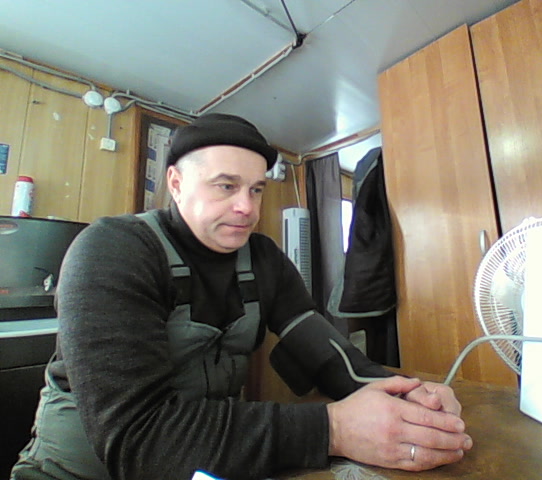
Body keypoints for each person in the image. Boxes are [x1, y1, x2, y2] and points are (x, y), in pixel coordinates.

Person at [10, 113, 472, 480]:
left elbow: (330, 359)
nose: (247, 208)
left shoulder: (264, 260)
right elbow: (140, 438)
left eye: (256, 189)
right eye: (226, 186)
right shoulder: (113, 250)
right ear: (175, 183)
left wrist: (408, 393)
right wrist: (334, 429)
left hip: (203, 465)